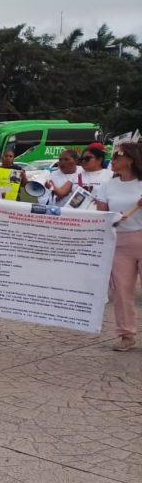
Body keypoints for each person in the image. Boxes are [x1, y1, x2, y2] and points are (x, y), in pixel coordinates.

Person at [95, 143, 142, 351]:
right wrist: (113, 218)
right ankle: (126, 335)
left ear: (130, 159)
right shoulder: (107, 186)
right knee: (121, 291)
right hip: (120, 242)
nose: (112, 160)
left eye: (117, 155)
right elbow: (101, 216)